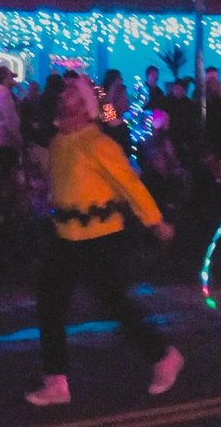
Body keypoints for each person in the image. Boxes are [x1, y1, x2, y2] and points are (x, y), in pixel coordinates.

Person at [25, 74, 183, 407]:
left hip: (103, 238)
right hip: (66, 237)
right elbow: (60, 183)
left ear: (85, 107)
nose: (63, 98)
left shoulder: (100, 144)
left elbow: (130, 185)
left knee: (115, 303)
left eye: (71, 95)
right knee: (49, 305)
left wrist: (155, 222)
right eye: (63, 94)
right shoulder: (58, 142)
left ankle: (164, 356)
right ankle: (56, 381)